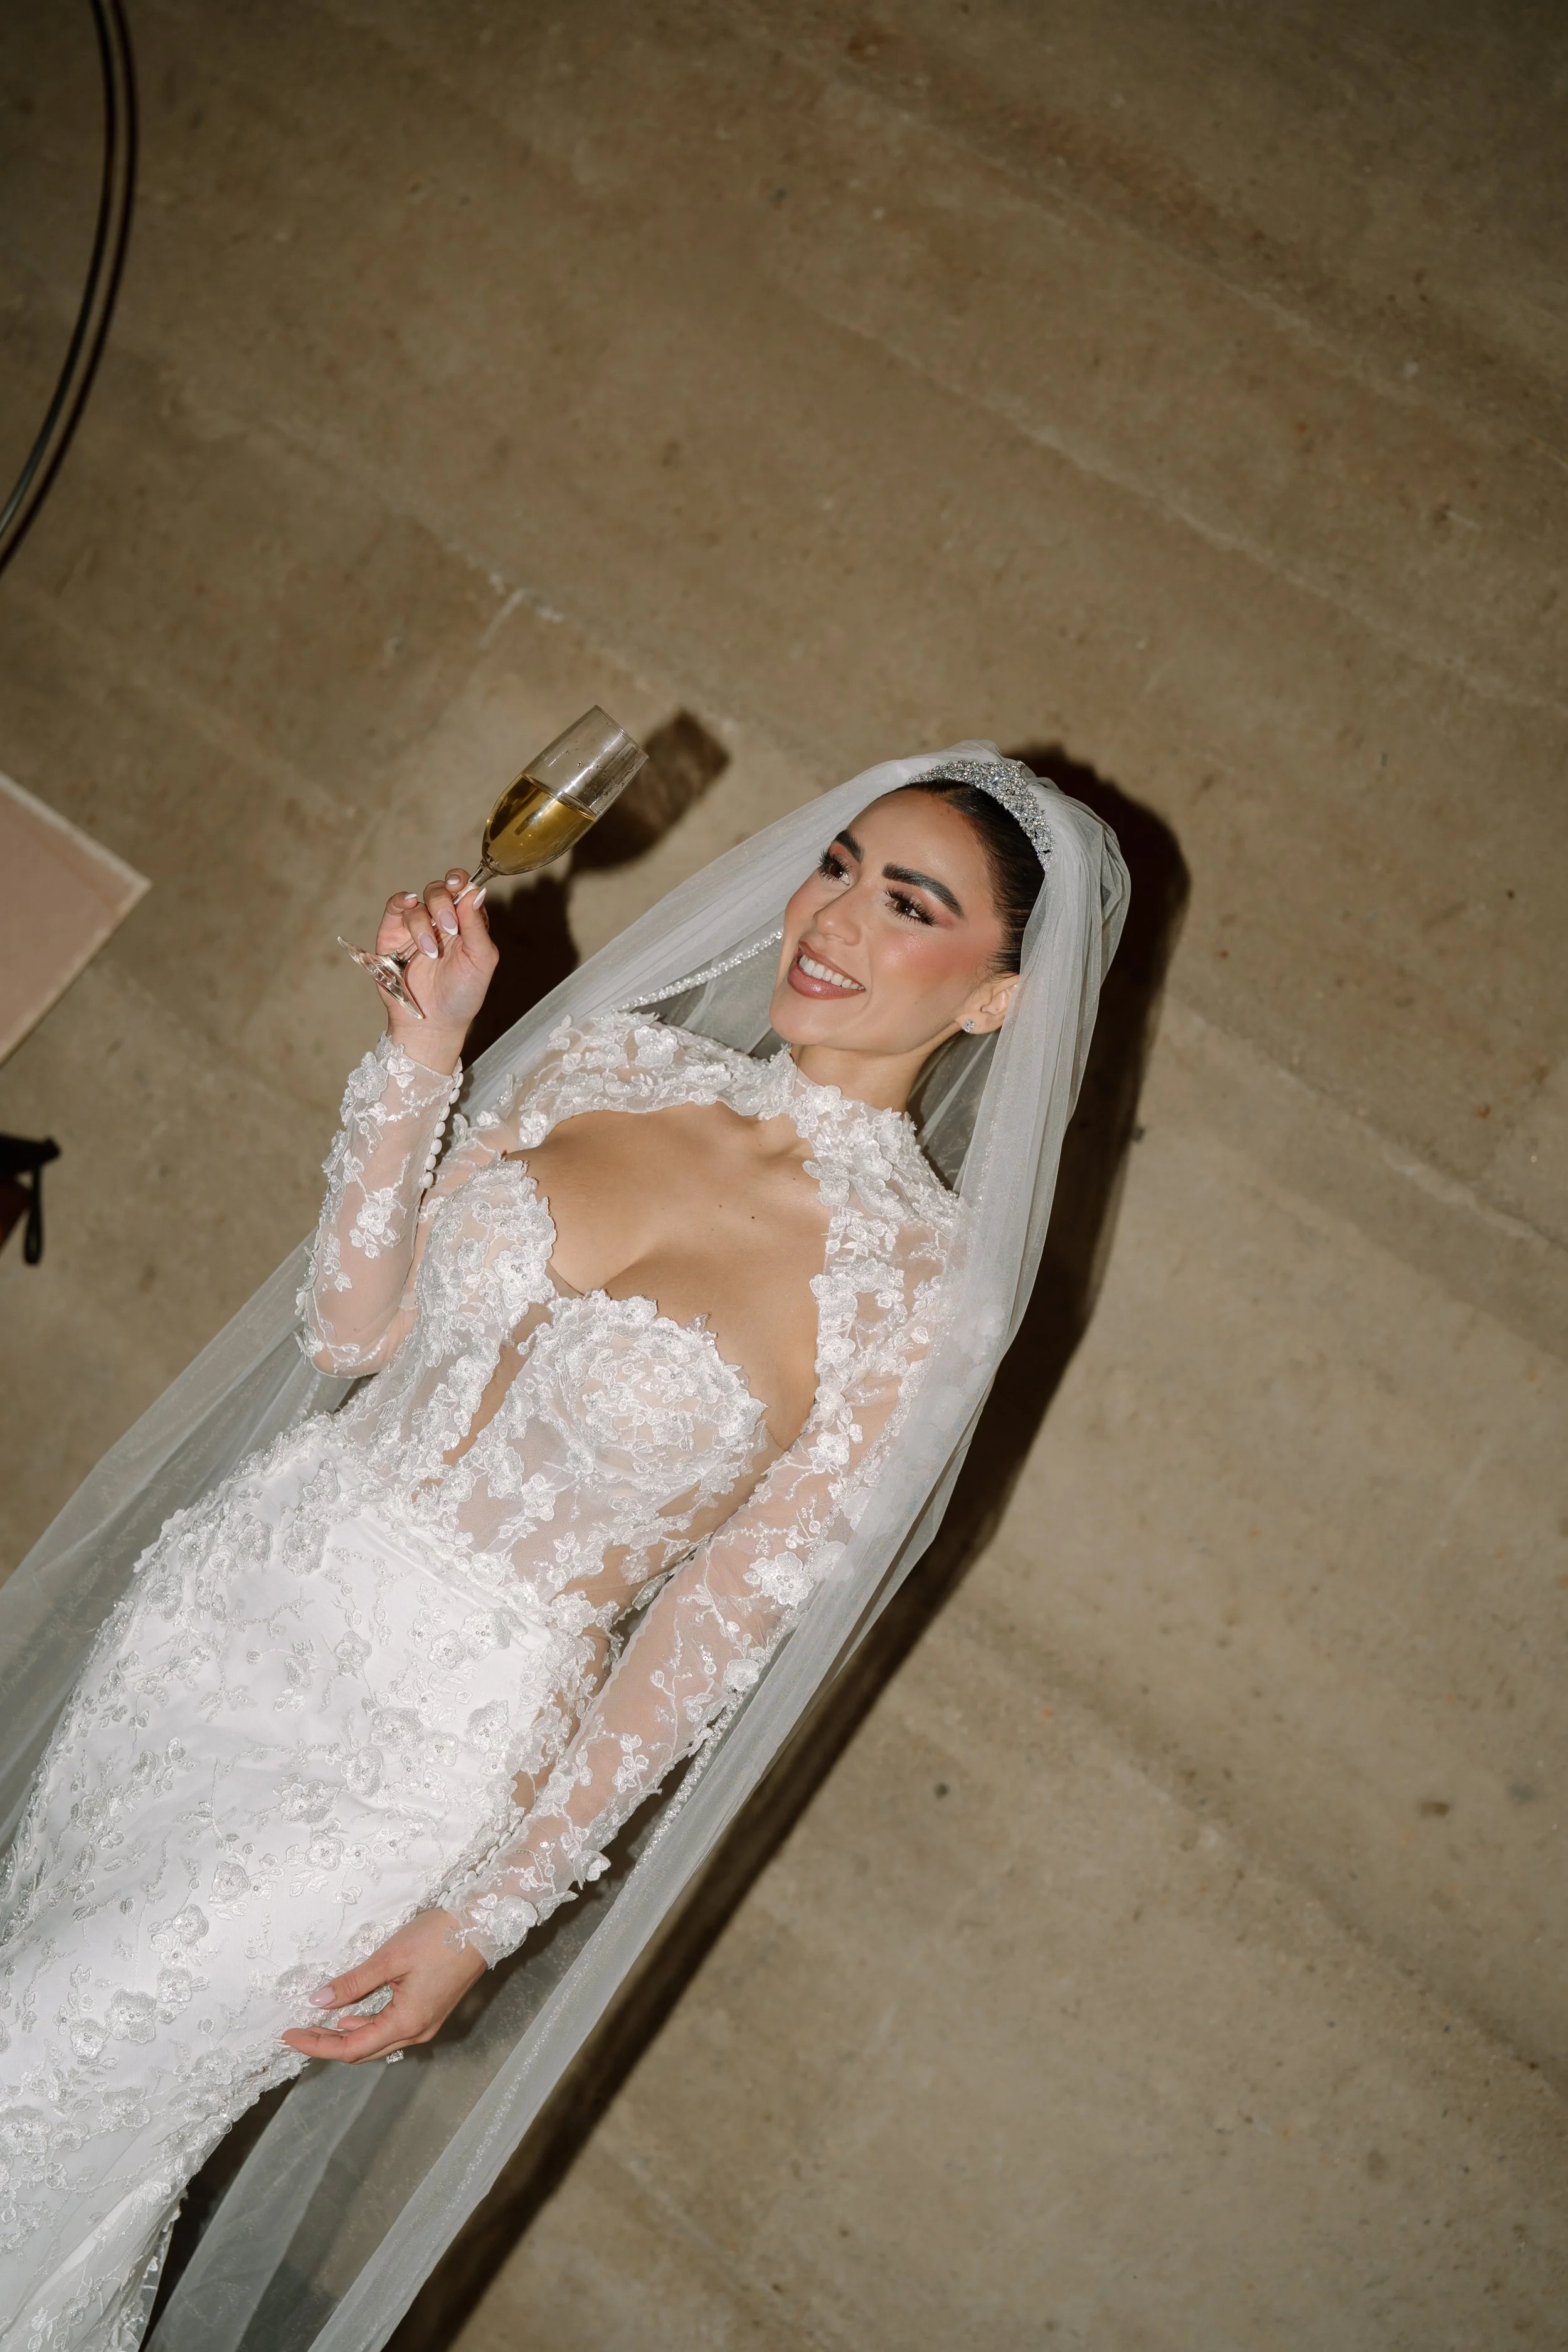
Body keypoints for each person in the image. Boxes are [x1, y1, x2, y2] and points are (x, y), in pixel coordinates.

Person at [0, 749, 1125, 2352]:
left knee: (36, 2059)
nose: (835, 918)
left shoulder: (919, 1301)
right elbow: (351, 1326)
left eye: (909, 905)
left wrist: (485, 1918)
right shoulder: (597, 1065)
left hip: (416, 1764)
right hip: (228, 1618)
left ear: (998, 998)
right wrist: (425, 1053)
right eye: (838, 864)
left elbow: (705, 1642)